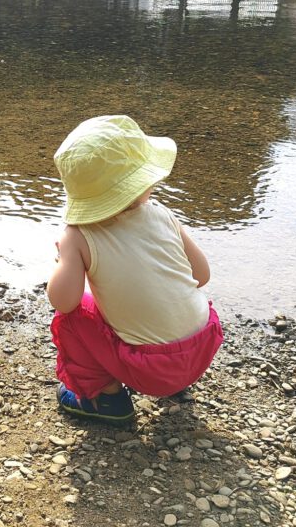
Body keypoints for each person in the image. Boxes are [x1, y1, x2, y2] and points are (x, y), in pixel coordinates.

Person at [47, 115, 223, 426]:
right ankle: (178, 386)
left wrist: (65, 257)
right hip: (203, 347)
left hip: (151, 371)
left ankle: (107, 398)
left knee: (72, 318)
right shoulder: (162, 214)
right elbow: (201, 275)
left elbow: (62, 301)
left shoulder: (78, 236)